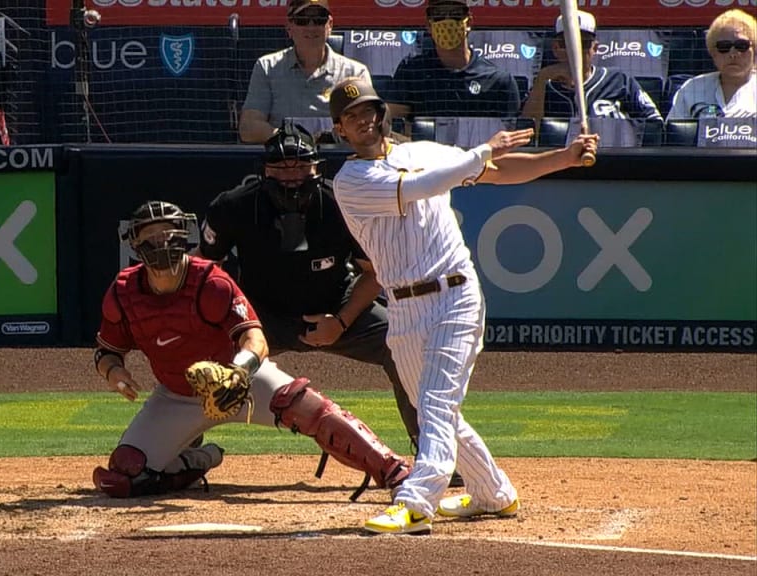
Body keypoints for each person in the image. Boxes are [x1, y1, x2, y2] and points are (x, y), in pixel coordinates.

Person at [327, 78, 598, 534]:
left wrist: (564, 157)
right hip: (404, 307)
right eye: (353, 117)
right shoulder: (350, 180)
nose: (366, 120)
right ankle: (494, 493)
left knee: (433, 402)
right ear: (340, 130)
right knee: (437, 408)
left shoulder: (424, 150)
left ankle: (416, 501)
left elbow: (497, 171)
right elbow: (423, 186)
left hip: (454, 293)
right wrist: (480, 152)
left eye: (371, 110)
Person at [197, 121, 462, 487]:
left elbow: (375, 273)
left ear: (316, 168)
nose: (291, 177)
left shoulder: (342, 203)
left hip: (337, 308)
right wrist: (233, 321)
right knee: (198, 353)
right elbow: (205, 268)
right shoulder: (234, 206)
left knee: (402, 344)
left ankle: (431, 452)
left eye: (300, 167)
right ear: (264, 170)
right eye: (281, 168)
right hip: (260, 320)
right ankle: (185, 450)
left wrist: (339, 322)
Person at [90, 200, 412, 499]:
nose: (162, 242)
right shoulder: (124, 292)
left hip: (240, 383)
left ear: (183, 236)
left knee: (306, 407)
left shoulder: (209, 281)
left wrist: (238, 372)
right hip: (177, 396)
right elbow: (106, 351)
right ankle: (200, 458)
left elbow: (255, 339)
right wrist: (115, 373)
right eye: (152, 236)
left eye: (169, 234)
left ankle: (394, 469)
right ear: (136, 243)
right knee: (123, 474)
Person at [239, 0, 370, 143]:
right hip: (285, 160)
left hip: (340, 159)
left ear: (329, 25)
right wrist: (292, 140)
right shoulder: (266, 67)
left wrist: (337, 136)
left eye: (319, 19)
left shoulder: (355, 73)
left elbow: (369, 127)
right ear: (289, 27)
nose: (311, 27)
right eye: (302, 20)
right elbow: (249, 128)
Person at [383, 0, 521, 120]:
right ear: (429, 26)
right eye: (439, 16)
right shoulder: (412, 71)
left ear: (469, 22)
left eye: (455, 15)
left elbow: (509, 137)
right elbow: (393, 128)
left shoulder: (498, 81)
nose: (447, 21)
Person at [521, 11, 662, 126]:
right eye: (567, 43)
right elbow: (528, 134)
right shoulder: (543, 87)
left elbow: (654, 122)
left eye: (584, 43)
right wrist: (542, 79)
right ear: (555, 48)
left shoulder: (619, 81)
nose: (575, 50)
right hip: (560, 159)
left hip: (614, 157)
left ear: (595, 48)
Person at [668, 9, 756, 120]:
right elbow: (674, 133)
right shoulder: (693, 88)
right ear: (713, 53)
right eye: (724, 46)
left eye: (742, 45)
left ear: (755, 50)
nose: (733, 54)